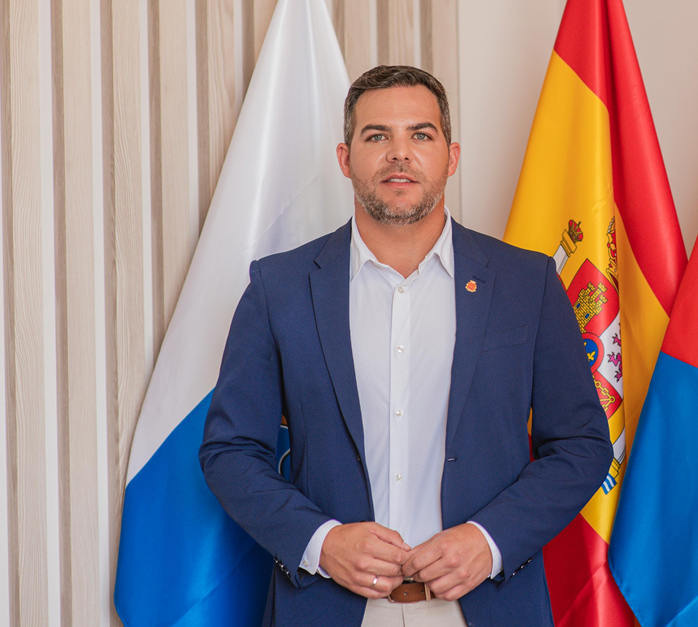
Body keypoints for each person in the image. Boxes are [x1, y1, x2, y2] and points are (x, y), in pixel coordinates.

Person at [200, 65, 612, 627]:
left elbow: (582, 445)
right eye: (377, 136)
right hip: (326, 606)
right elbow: (230, 451)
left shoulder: (527, 284)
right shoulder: (281, 287)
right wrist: (320, 541)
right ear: (346, 159)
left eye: (421, 135)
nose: (400, 154)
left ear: (451, 155)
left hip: (484, 607)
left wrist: (489, 541)